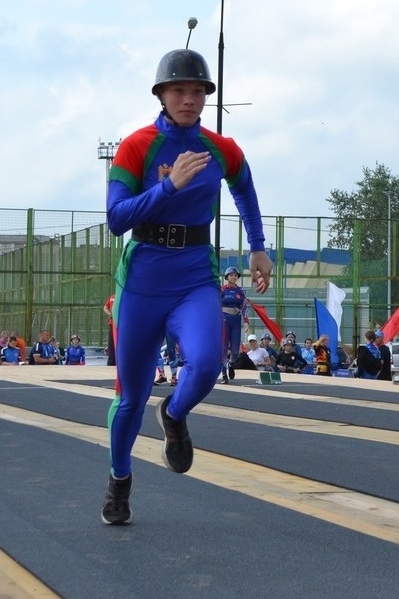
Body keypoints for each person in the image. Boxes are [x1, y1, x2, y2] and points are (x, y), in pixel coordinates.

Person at [101, 48, 272, 526]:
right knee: (131, 397)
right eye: (179, 90)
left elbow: (244, 185)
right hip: (141, 280)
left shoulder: (222, 148)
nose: (190, 99)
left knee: (205, 363)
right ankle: (119, 481)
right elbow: (116, 220)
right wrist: (168, 188)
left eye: (198, 91)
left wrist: (258, 246)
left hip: (195, 275)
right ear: (160, 94)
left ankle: (174, 416)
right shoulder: (136, 147)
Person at [219, 266, 246, 384]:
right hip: (224, 320)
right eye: (231, 275)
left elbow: (244, 306)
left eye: (235, 275)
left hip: (236, 320)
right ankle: (224, 374)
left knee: (235, 351)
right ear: (226, 277)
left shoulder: (241, 290)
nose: (233, 277)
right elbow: (215, 304)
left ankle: (231, 364)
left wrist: (246, 321)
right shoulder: (221, 289)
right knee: (223, 348)